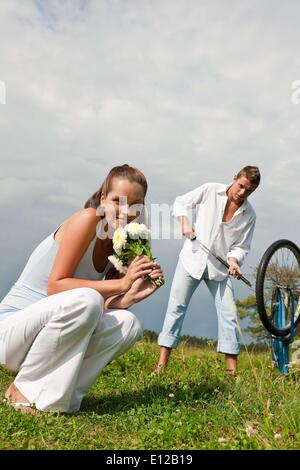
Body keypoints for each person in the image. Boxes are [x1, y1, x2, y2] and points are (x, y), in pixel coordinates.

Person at [0, 164, 164, 413]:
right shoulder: (87, 219)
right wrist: (121, 283)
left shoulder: (121, 245)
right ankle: (23, 390)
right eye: (117, 201)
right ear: (102, 199)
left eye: (135, 205)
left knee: (128, 324)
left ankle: (60, 401)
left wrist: (129, 295)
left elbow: (99, 307)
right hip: (12, 334)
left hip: (47, 340)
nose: (126, 211)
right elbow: (56, 287)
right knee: (88, 299)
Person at [156, 166, 260, 375]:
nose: (242, 193)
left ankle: (232, 374)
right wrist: (185, 223)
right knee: (176, 308)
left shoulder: (250, 215)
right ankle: (161, 367)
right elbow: (180, 203)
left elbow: (241, 247)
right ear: (234, 178)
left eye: (248, 191)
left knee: (229, 315)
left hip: (219, 270)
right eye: (241, 186)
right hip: (191, 260)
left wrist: (233, 261)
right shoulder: (210, 190)